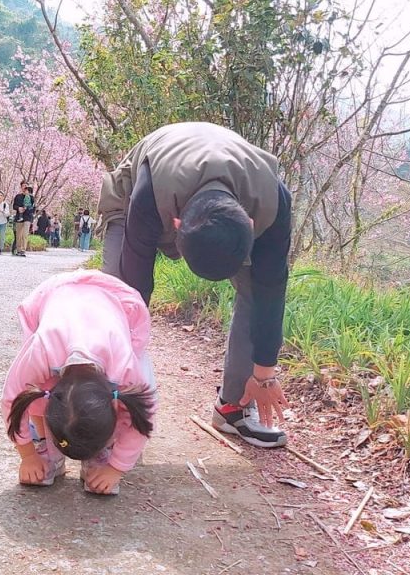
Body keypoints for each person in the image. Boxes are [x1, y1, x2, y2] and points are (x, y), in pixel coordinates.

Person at [97, 121, 292, 448]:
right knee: (116, 298)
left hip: (229, 196)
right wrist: (123, 369)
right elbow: (134, 285)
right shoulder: (148, 196)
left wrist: (264, 374)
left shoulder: (273, 202)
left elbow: (271, 291)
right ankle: (105, 400)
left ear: (251, 224)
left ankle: (233, 408)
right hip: (137, 189)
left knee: (256, 293)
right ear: (175, 226)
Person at [2, 270, 156, 495]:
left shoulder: (128, 371)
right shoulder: (40, 351)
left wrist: (115, 468)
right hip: (57, 299)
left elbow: (144, 418)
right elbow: (13, 399)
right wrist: (28, 455)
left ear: (114, 404)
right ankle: (48, 448)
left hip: (113, 302)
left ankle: (101, 451)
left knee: (123, 407)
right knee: (34, 390)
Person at [11, 183, 36, 257]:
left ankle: (23, 250)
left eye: (26, 186)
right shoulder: (18, 196)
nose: (25, 188)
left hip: (27, 217)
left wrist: (27, 209)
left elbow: (34, 208)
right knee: (18, 235)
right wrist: (19, 208)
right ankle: (18, 250)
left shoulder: (31, 197)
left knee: (25, 234)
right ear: (21, 187)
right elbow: (14, 206)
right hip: (19, 217)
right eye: (23, 186)